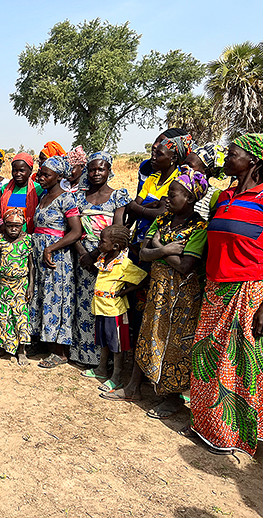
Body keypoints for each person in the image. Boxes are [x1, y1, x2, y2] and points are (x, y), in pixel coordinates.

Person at [108, 167, 208, 415]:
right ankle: (133, 387)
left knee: (175, 343)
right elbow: (143, 252)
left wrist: (157, 247)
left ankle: (172, 397)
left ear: (190, 199)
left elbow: (186, 266)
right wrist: (165, 250)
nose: (167, 199)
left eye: (172, 195)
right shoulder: (161, 219)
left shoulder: (199, 228)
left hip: (182, 295)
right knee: (148, 333)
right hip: (158, 289)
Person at [189, 134, 263, 456]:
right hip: (215, 289)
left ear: (253, 161)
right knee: (206, 357)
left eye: (232, 153)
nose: (226, 157)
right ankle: (210, 428)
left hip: (248, 291)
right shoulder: (224, 196)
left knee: (239, 365)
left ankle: (239, 434)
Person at [72, 152, 131, 366]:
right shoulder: (78, 197)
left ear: (109, 171)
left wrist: (95, 256)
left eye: (101, 169)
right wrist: (83, 254)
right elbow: (74, 229)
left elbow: (116, 230)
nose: (96, 173)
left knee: (104, 306)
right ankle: (82, 354)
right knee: (83, 304)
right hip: (81, 257)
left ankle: (101, 359)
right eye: (92, 169)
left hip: (107, 258)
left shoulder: (117, 196)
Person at [30, 156, 83, 369]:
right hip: (40, 254)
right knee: (41, 297)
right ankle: (45, 342)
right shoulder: (43, 196)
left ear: (59, 177)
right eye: (40, 173)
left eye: (46, 174)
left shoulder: (66, 199)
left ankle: (60, 352)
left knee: (56, 299)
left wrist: (51, 248)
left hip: (56, 257)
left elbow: (77, 231)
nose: (40, 177)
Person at [83, 226, 147, 391]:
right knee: (104, 340)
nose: (98, 244)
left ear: (116, 246)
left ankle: (117, 376)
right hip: (100, 308)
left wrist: (124, 291)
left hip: (115, 311)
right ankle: (101, 369)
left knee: (117, 345)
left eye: (102, 241)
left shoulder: (124, 263)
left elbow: (142, 279)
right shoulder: (104, 258)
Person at [125, 134, 193, 246]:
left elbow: (161, 214)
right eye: (154, 153)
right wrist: (151, 206)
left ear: (173, 158)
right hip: (139, 238)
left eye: (159, 154)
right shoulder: (152, 179)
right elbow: (131, 209)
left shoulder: (179, 182)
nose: (154, 157)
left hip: (160, 241)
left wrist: (139, 209)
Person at [0, 208, 34, 366]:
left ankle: (21, 351)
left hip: (21, 285)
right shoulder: (0, 240)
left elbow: (31, 266)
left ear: (22, 225)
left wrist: (31, 286)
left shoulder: (27, 240)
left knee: (20, 317)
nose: (13, 229)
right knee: (3, 317)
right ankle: (2, 348)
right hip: (4, 285)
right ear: (4, 225)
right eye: (10, 226)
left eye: (17, 226)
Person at [136, 128, 189, 195]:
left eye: (162, 142)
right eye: (156, 141)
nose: (155, 145)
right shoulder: (145, 167)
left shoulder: (180, 176)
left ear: (173, 157)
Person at [0, 152, 40, 233]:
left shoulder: (38, 189)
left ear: (30, 170)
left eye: (22, 170)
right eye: (15, 170)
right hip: (8, 236)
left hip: (28, 236)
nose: (18, 174)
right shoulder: (5, 189)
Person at [185, 143, 227, 220]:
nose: (184, 168)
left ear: (206, 171)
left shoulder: (214, 195)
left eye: (190, 165)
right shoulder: (180, 186)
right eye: (185, 164)